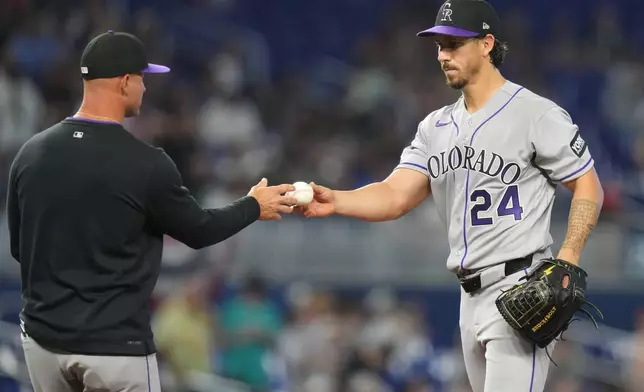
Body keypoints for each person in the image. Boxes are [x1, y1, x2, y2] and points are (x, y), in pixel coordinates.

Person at [298, 1, 604, 392]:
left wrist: (570, 254)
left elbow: (587, 184)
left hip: (521, 285)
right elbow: (395, 195)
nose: (443, 55)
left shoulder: (536, 115)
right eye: (439, 45)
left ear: (487, 44)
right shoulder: (435, 126)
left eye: (454, 44)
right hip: (468, 297)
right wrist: (337, 200)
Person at [5, 30, 298, 392]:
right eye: (142, 78)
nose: (145, 88)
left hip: (43, 344)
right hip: (114, 348)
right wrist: (254, 205)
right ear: (125, 82)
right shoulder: (147, 163)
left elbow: (21, 249)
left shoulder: (30, 154)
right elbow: (199, 230)